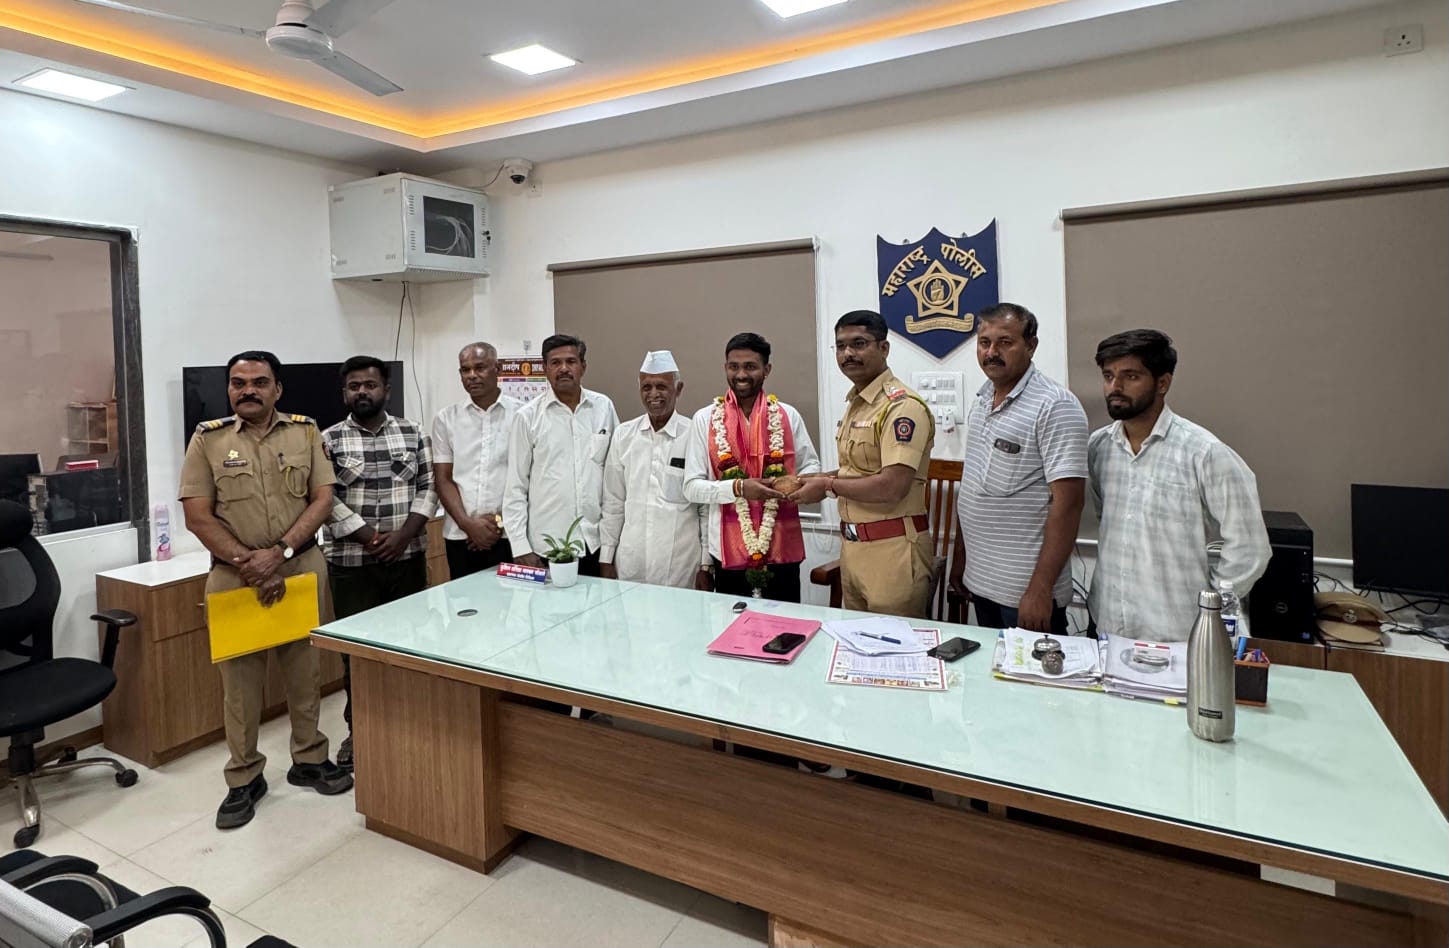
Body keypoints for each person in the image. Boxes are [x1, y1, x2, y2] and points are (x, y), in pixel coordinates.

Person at [178, 350, 351, 830]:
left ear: (278, 389)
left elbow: (322, 499)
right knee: (239, 685)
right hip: (234, 577)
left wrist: (280, 553)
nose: (248, 390)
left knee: (305, 672)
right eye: (238, 383)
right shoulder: (208, 440)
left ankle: (309, 758)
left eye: (259, 382)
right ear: (229, 389)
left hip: (298, 568)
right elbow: (197, 515)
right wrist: (250, 563)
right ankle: (243, 777)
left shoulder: (305, 432)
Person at [1088, 329, 1270, 641]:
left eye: (1131, 376)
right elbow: (1107, 520)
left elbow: (1250, 549)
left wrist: (1211, 607)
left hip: (1178, 634)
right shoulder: (1099, 447)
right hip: (1107, 624)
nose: (1115, 387)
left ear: (1163, 383)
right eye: (1108, 376)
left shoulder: (1205, 452)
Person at [320, 356, 437, 772]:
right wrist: (367, 536)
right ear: (345, 394)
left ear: (386, 390)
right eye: (354, 386)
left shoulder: (413, 432)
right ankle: (360, 730)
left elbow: (429, 487)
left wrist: (403, 535)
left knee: (410, 643)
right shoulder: (328, 440)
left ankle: (411, 722)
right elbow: (324, 498)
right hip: (352, 563)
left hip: (407, 558)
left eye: (370, 385)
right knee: (358, 651)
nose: (362, 392)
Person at [948, 304, 1087, 634]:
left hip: (1026, 592)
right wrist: (961, 559)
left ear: (1031, 345)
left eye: (1005, 342)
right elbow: (973, 489)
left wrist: (1040, 589)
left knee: (1033, 669)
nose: (991, 353)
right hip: (981, 580)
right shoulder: (982, 400)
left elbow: (1069, 504)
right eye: (984, 343)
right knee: (994, 665)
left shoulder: (1055, 405)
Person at [790, 311, 935, 617]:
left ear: (884, 348)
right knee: (856, 640)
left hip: (893, 550)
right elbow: (857, 471)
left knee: (893, 642)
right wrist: (818, 477)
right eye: (841, 346)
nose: (848, 354)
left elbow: (892, 486)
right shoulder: (858, 404)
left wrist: (827, 486)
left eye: (859, 344)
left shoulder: (902, 407)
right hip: (853, 549)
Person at [684, 332, 820, 601]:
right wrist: (738, 488)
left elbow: (811, 466)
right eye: (733, 366)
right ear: (725, 368)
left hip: (782, 545)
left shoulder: (787, 415)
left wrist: (796, 484)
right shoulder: (705, 419)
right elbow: (691, 487)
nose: (741, 374)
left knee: (784, 623)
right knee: (732, 625)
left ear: (766, 370)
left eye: (750, 366)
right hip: (726, 551)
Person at [503, 334, 618, 573]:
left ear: (583, 366)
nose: (564, 368)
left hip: (595, 544)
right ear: (545, 368)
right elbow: (516, 486)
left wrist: (610, 548)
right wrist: (520, 547)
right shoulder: (527, 417)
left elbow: (615, 478)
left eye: (571, 361)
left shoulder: (603, 407)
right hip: (546, 548)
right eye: (555, 363)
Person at [599, 350, 709, 588]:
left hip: (681, 566)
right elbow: (613, 502)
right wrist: (606, 557)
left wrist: (706, 565)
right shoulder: (624, 435)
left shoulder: (695, 435)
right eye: (646, 387)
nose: (654, 394)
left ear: (678, 389)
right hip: (631, 563)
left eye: (662, 386)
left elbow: (705, 509)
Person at [431, 342, 520, 579]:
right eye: (465, 370)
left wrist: (498, 522)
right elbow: (443, 479)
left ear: (497, 369)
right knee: (463, 600)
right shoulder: (446, 418)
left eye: (479, 367)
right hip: (460, 536)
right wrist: (468, 525)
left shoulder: (522, 415)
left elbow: (527, 478)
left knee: (513, 600)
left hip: (510, 535)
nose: (472, 375)